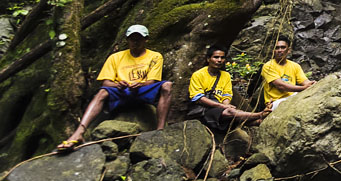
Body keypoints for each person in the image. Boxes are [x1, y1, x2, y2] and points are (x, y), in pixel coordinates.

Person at [57, 24, 172, 153]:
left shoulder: (155, 56)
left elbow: (153, 80)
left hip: (142, 90)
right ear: (127, 40)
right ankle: (78, 133)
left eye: (138, 38)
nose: (135, 42)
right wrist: (118, 84)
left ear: (146, 39)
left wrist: (140, 84)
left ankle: (160, 130)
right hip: (122, 91)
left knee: (167, 86)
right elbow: (106, 83)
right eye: (132, 38)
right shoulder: (115, 57)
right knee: (102, 93)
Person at [188, 46, 269, 130]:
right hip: (205, 109)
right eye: (216, 57)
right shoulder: (198, 75)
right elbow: (199, 98)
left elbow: (226, 95)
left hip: (219, 108)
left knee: (236, 113)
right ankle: (259, 114)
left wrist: (226, 105)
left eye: (222, 58)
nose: (219, 60)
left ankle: (257, 121)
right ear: (208, 59)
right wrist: (222, 106)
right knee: (230, 112)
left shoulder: (225, 75)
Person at [261, 35, 314, 109]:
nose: (279, 50)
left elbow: (305, 82)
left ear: (288, 50)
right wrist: (304, 88)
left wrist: (313, 84)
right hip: (276, 102)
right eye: (277, 48)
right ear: (273, 51)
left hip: (292, 96)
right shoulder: (268, 66)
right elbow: (281, 86)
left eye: (283, 47)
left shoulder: (295, 66)